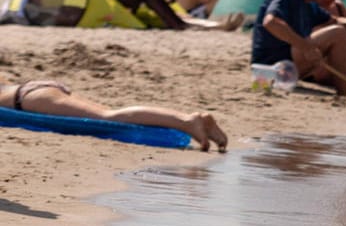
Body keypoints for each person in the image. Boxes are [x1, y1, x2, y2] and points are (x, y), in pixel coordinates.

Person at [1, 78, 227, 151]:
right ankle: (189, 121)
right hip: (31, 91)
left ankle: (187, 121)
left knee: (108, 117)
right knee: (107, 114)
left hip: (30, 98)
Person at [251, 0, 346, 93]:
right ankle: (344, 92)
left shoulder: (308, 2)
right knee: (338, 34)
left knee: (342, 32)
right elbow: (270, 22)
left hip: (286, 66)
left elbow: (334, 21)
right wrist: (306, 47)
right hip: (270, 66)